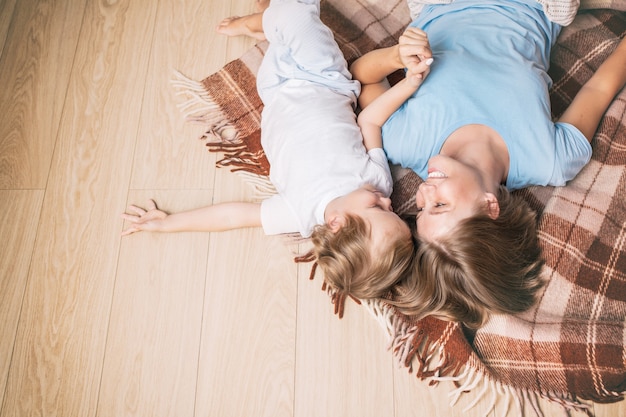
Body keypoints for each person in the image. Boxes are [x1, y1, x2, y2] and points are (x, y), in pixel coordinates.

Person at [121, 0, 433, 311]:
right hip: (324, 78)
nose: (388, 201)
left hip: (273, 90)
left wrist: (168, 223)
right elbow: (369, 121)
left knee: (284, 26)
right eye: (393, 212)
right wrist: (409, 83)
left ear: (337, 223)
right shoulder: (376, 181)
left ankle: (263, 25)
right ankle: (268, 22)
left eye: (379, 210)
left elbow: (233, 216)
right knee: (296, 13)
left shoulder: (299, 212)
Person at [350, 0, 626, 328]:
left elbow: (363, 78)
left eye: (420, 209)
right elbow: (600, 87)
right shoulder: (549, 159)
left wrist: (396, 56)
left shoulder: (404, 142)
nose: (423, 192)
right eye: (438, 204)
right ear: (490, 207)